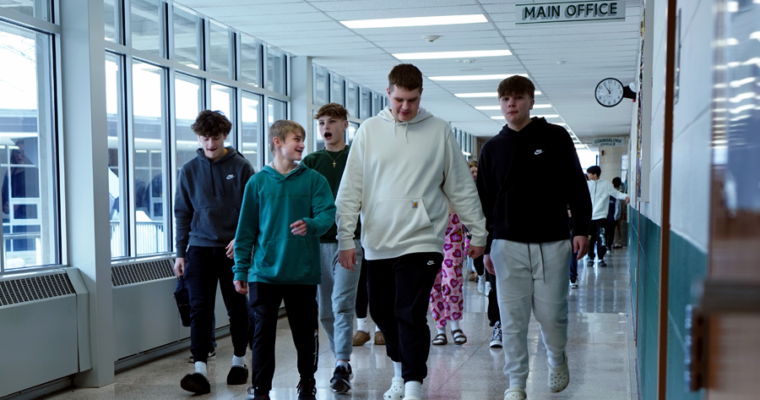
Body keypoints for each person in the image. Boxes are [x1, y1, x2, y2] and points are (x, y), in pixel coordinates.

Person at [334, 64, 487, 400]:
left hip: (422, 239)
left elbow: (461, 186)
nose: (405, 107)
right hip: (377, 241)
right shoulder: (370, 131)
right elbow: (351, 189)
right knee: (384, 314)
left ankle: (414, 384)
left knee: (410, 310)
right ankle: (400, 372)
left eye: (412, 100)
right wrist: (346, 237)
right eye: (400, 99)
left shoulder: (439, 130)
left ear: (421, 96)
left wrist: (479, 231)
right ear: (388, 92)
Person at [477, 75, 592, 400]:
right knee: (512, 319)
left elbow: (575, 184)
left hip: (552, 242)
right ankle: (516, 383)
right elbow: (484, 201)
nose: (510, 104)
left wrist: (581, 227)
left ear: (531, 101)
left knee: (551, 314)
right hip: (505, 245)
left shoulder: (555, 137)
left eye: (517, 98)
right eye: (505, 99)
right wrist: (485, 246)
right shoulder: (492, 149)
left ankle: (556, 357)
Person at [232, 120, 336, 400]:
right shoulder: (257, 182)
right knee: (262, 334)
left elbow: (328, 215)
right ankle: (261, 390)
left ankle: (307, 381)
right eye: (296, 139)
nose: (302, 144)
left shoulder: (315, 180)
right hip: (263, 273)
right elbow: (246, 231)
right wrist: (240, 268)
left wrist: (311, 224)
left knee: (305, 334)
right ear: (278, 142)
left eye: (303, 139)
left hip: (302, 272)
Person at [174, 110, 254, 395]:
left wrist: (241, 240)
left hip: (233, 251)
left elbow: (254, 211)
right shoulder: (189, 170)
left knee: (237, 310)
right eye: (205, 138)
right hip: (198, 250)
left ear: (225, 136)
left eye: (216, 138)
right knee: (200, 311)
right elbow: (182, 213)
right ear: (199, 137)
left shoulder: (243, 167)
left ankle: (239, 362)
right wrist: (180, 253)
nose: (210, 143)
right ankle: (199, 370)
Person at [301, 103, 364, 394]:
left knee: (342, 302)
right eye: (322, 123)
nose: (326, 127)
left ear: (345, 125)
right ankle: (341, 356)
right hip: (318, 244)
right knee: (325, 309)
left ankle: (341, 362)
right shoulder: (312, 161)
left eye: (332, 121)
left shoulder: (358, 157)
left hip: (351, 243)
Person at [430, 204, 467, 346]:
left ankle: (455, 326)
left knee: (452, 279)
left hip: (453, 222)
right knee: (433, 281)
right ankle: (440, 330)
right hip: (429, 224)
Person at [586, 166, 629, 267]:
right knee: (590, 238)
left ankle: (601, 258)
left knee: (602, 237)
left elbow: (616, 194)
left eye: (589, 173)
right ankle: (590, 257)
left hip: (601, 216)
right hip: (589, 217)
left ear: (595, 174)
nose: (587, 175)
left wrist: (626, 196)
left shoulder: (606, 185)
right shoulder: (586, 185)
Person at [353, 256, 385, 346]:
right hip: (358, 244)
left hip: (378, 245)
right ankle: (362, 328)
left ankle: (380, 328)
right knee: (358, 277)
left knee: (378, 277)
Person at [611, 177, 625, 248]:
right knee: (620, 228)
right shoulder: (622, 191)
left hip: (614, 213)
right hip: (622, 213)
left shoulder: (613, 192)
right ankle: (620, 242)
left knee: (615, 228)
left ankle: (616, 242)